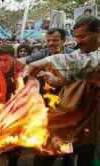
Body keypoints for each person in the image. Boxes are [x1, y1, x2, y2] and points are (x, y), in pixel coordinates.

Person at [26, 16, 100, 166]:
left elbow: (85, 64)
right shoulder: (79, 52)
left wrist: (44, 62)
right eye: (76, 37)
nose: (78, 41)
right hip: (65, 116)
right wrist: (51, 78)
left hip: (89, 121)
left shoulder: (91, 57)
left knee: (85, 156)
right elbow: (67, 78)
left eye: (83, 36)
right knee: (44, 153)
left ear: (98, 33)